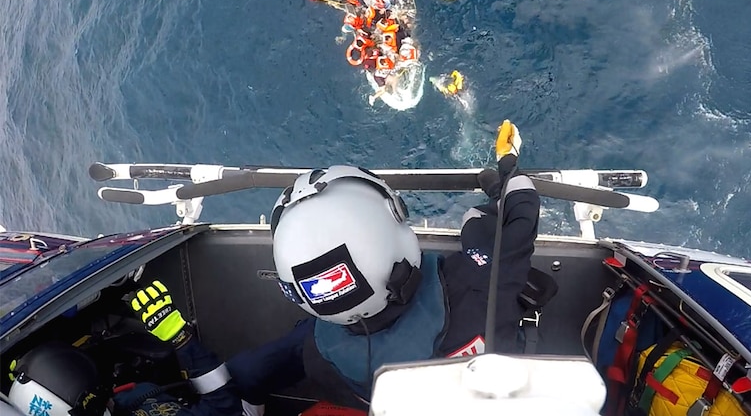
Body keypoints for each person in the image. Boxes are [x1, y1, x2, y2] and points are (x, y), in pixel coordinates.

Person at [227, 120, 539, 410]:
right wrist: (506, 166)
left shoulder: (317, 351)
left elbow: (248, 372)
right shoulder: (481, 281)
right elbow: (521, 211)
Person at [7, 281, 241, 416]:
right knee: (249, 369)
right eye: (95, 401)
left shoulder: (126, 399)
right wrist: (180, 337)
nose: (103, 399)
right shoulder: (132, 398)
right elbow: (225, 408)